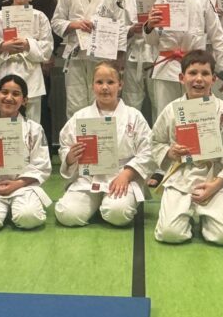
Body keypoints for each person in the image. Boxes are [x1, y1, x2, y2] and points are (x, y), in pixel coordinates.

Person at [150, 51, 223, 246]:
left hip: (213, 177)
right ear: (181, 78)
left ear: (214, 79)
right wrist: (170, 152)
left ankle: (207, 219)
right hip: (181, 176)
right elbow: (156, 142)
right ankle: (186, 217)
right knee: (170, 234)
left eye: (205, 73)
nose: (199, 79)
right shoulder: (171, 109)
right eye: (192, 73)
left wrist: (217, 184)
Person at [55, 61, 152, 228]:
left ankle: (109, 203)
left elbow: (148, 151)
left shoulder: (134, 116)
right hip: (88, 178)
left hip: (121, 176)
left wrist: (127, 175)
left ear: (120, 85)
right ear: (92, 86)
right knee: (67, 215)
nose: (105, 87)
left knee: (118, 214)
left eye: (110, 82)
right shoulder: (81, 117)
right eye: (99, 82)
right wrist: (70, 157)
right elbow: (65, 145)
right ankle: (96, 202)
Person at [143, 0, 223, 116]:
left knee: (197, 115)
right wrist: (149, 27)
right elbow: (152, 41)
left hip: (196, 68)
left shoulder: (202, 1)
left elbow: (217, 37)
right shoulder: (159, 2)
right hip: (166, 68)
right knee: (166, 114)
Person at [0, 75, 52, 231]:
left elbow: (41, 165)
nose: (9, 98)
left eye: (16, 94)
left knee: (29, 218)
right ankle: (3, 210)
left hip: (24, 186)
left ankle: (16, 209)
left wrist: (17, 184)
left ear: (24, 100)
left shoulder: (34, 129)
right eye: (4, 92)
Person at [51, 0, 126, 121]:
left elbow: (121, 24)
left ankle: (102, 137)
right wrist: (74, 24)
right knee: (75, 103)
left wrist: (120, 55)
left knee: (101, 100)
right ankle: (78, 138)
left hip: (103, 57)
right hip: (76, 56)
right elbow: (56, 22)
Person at [0, 0, 53, 123]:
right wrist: (3, 46)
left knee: (32, 120)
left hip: (32, 73)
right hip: (7, 69)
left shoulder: (40, 16)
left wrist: (28, 44)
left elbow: (48, 48)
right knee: (4, 117)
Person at [122, 0, 159, 123]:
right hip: (134, 56)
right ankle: (131, 135)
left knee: (159, 100)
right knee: (132, 101)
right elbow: (119, 30)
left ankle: (160, 137)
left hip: (157, 55)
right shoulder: (128, 1)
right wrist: (131, 30)